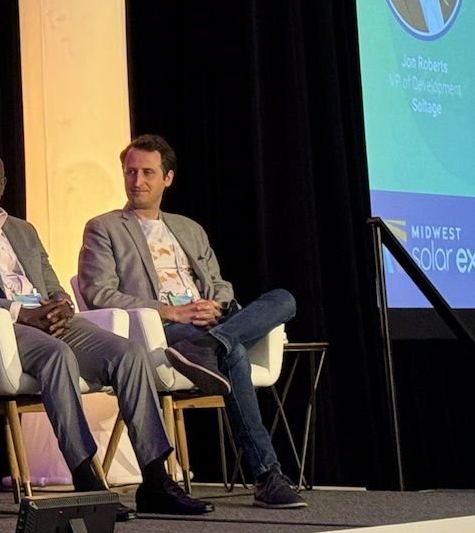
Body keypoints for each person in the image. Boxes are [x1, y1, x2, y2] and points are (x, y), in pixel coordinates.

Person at [0, 145, 212, 517]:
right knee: (57, 356)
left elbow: (51, 282)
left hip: (47, 321)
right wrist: (22, 313)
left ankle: (155, 480)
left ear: (2, 184)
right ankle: (86, 480)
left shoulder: (22, 229)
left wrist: (60, 305)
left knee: (129, 354)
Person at [77, 134, 305, 509]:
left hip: (209, 324)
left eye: (147, 172)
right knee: (235, 355)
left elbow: (219, 283)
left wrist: (216, 305)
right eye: (131, 172)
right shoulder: (105, 227)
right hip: (165, 328)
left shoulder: (188, 228)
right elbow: (97, 293)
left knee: (284, 299)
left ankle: (211, 344)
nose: (137, 181)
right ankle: (267, 475)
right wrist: (168, 311)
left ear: (168, 178)